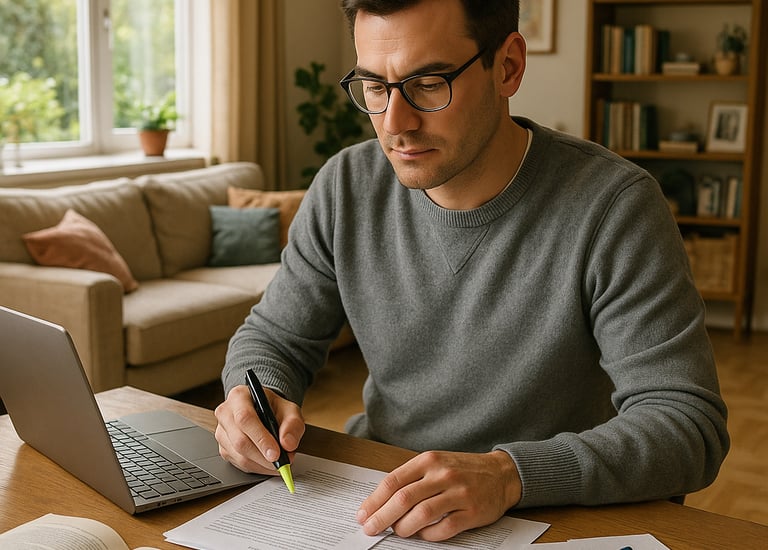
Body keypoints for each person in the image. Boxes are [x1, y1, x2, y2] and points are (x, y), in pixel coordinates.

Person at [214, 0, 729, 542]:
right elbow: (273, 337)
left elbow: (686, 426)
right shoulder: (346, 187)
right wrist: (255, 397)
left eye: (429, 83)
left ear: (507, 67)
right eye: (374, 86)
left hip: (548, 516)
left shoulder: (614, 207)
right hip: (379, 503)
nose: (395, 124)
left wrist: (510, 475)